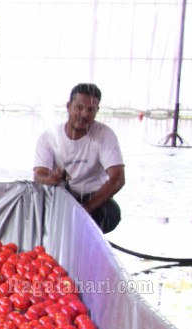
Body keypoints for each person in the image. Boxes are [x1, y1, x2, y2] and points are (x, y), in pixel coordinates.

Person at [34, 83, 125, 233]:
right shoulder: (48, 137)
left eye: (90, 110)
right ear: (68, 106)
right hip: (61, 197)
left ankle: (88, 236)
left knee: (111, 212)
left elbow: (118, 179)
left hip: (92, 200)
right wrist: (52, 178)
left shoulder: (105, 135)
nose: (84, 114)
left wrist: (86, 208)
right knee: (34, 207)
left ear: (97, 111)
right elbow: (39, 175)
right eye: (79, 107)